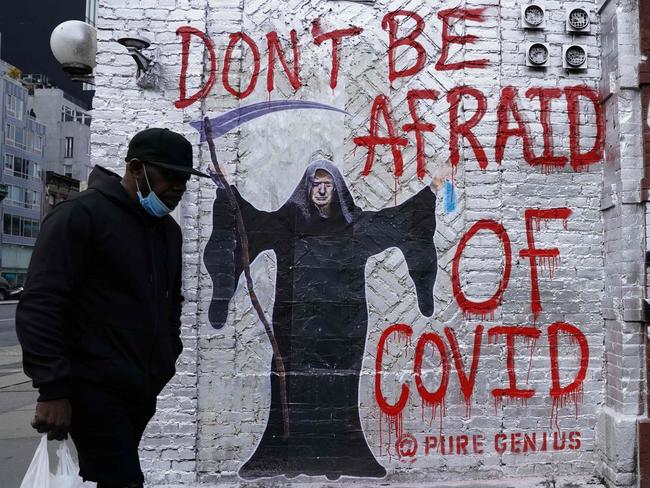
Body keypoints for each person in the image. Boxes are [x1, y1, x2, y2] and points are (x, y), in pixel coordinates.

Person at [204, 159, 438, 480]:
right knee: (290, 388)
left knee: (336, 391)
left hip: (344, 329)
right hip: (294, 327)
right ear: (308, 187)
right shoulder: (289, 222)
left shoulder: (354, 226)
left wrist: (432, 191)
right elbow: (251, 222)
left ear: (338, 188)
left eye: (328, 183)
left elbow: (397, 222)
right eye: (316, 183)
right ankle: (284, 460)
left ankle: (338, 460)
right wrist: (226, 189)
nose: (322, 189)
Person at [16, 128, 208, 488]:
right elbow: (41, 303)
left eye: (184, 179)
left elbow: (170, 302)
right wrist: (52, 388)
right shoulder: (80, 216)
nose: (179, 188)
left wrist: (167, 355)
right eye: (170, 177)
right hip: (91, 388)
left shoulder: (167, 231)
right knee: (123, 481)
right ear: (136, 169)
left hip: (140, 389)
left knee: (102, 479)